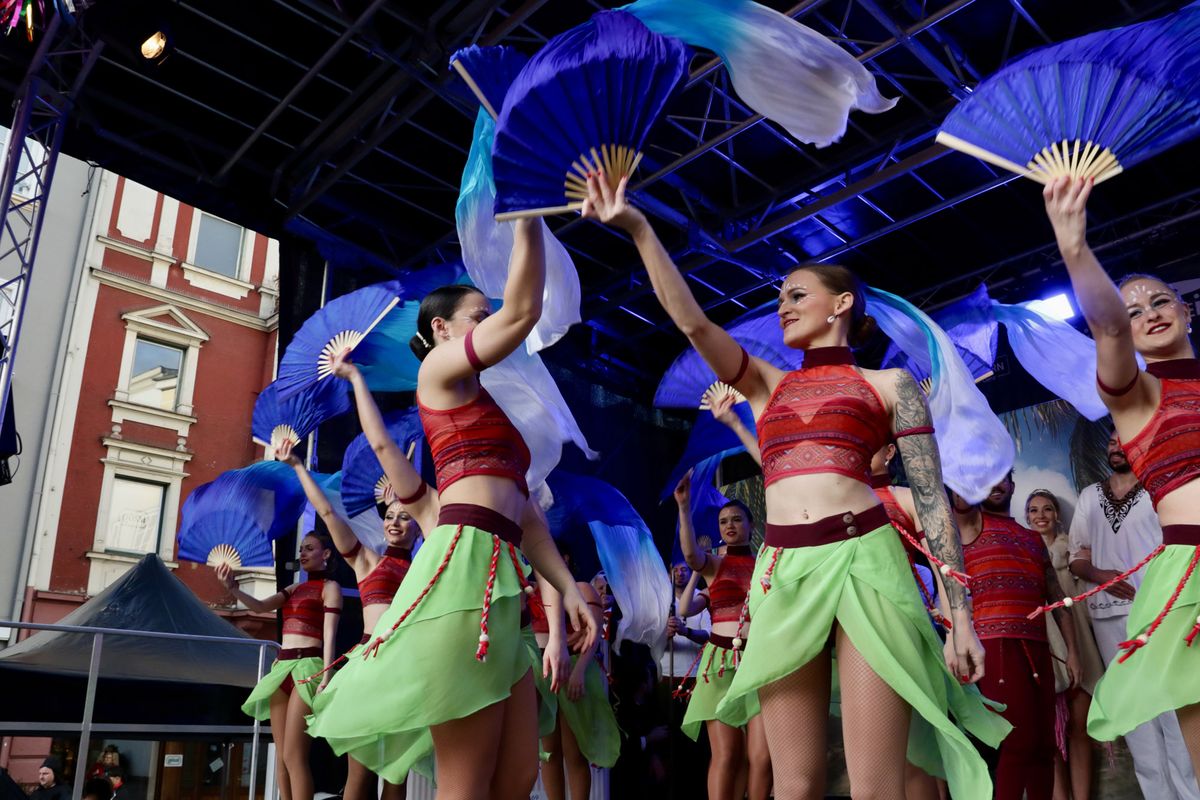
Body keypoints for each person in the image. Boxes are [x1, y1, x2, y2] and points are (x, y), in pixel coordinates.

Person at [582, 169, 1006, 799]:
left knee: (875, 785)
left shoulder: (890, 385)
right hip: (784, 569)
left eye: (797, 294)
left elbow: (931, 502)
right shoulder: (764, 383)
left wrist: (961, 616)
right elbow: (695, 325)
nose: (782, 305)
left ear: (842, 304)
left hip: (866, 562)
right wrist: (640, 228)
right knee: (795, 784)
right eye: (780, 296)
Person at [306, 218, 596, 800]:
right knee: (466, 781)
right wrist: (528, 220)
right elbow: (522, 313)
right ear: (440, 329)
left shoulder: (490, 408)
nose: (488, 324)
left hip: (503, 573)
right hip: (463, 569)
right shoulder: (436, 372)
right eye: (478, 316)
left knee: (517, 777)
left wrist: (566, 587)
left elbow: (527, 517)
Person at [1045, 175, 1200, 782]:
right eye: (1134, 311)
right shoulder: (1137, 397)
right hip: (1191, 576)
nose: (1148, 314)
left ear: (1185, 309)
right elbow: (1107, 327)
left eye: (1160, 301)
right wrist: (1074, 247)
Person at [276, 363, 433, 800]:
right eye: (390, 516)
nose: (396, 522)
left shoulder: (427, 565)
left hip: (404, 667)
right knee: (358, 778)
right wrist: (297, 465)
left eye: (406, 517)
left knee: (396, 781)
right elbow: (328, 513)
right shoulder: (367, 563)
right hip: (366, 665)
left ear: (419, 525)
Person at [1068, 431, 1200, 800]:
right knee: (1137, 721)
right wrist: (1101, 576)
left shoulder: (1161, 490)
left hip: (1160, 611)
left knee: (1171, 708)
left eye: (1121, 439)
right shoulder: (1089, 497)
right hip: (1108, 616)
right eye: (1110, 442)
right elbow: (1076, 557)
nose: (1115, 446)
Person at [952, 489, 1079, 800]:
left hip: (1037, 646)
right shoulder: (968, 526)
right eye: (988, 478)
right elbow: (960, 499)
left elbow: (1056, 599)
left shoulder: (1033, 539)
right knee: (1016, 744)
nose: (995, 484)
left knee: (1044, 745)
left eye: (1002, 478)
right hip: (995, 648)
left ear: (1011, 484)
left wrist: (1073, 652)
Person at [220, 532, 340, 800]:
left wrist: (327, 674)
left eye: (310, 548)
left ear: (326, 554)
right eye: (301, 549)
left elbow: (330, 633)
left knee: (293, 755)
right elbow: (260, 606)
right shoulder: (294, 589)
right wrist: (233, 588)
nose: (303, 553)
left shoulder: (330, 587)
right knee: (281, 758)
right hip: (282, 667)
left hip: (308, 666)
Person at [674, 475, 769, 800]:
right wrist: (684, 508)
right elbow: (691, 557)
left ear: (751, 526)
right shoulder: (714, 564)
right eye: (724, 521)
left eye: (737, 519)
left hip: (758, 664)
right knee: (727, 755)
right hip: (719, 665)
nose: (730, 525)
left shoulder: (765, 566)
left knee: (761, 757)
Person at [1025, 489, 1105, 800]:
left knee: (1079, 729)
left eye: (1047, 509)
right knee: (1051, 733)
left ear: (1057, 514)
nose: (1040, 515)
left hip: (1079, 646)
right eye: (1033, 510)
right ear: (1027, 517)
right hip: (1044, 650)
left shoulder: (1072, 554)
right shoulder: (1024, 554)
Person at [539, 580, 620, 800]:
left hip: (571, 667)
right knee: (549, 752)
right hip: (541, 670)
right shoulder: (532, 586)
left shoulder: (581, 587)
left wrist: (579, 672)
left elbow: (593, 633)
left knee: (573, 751)